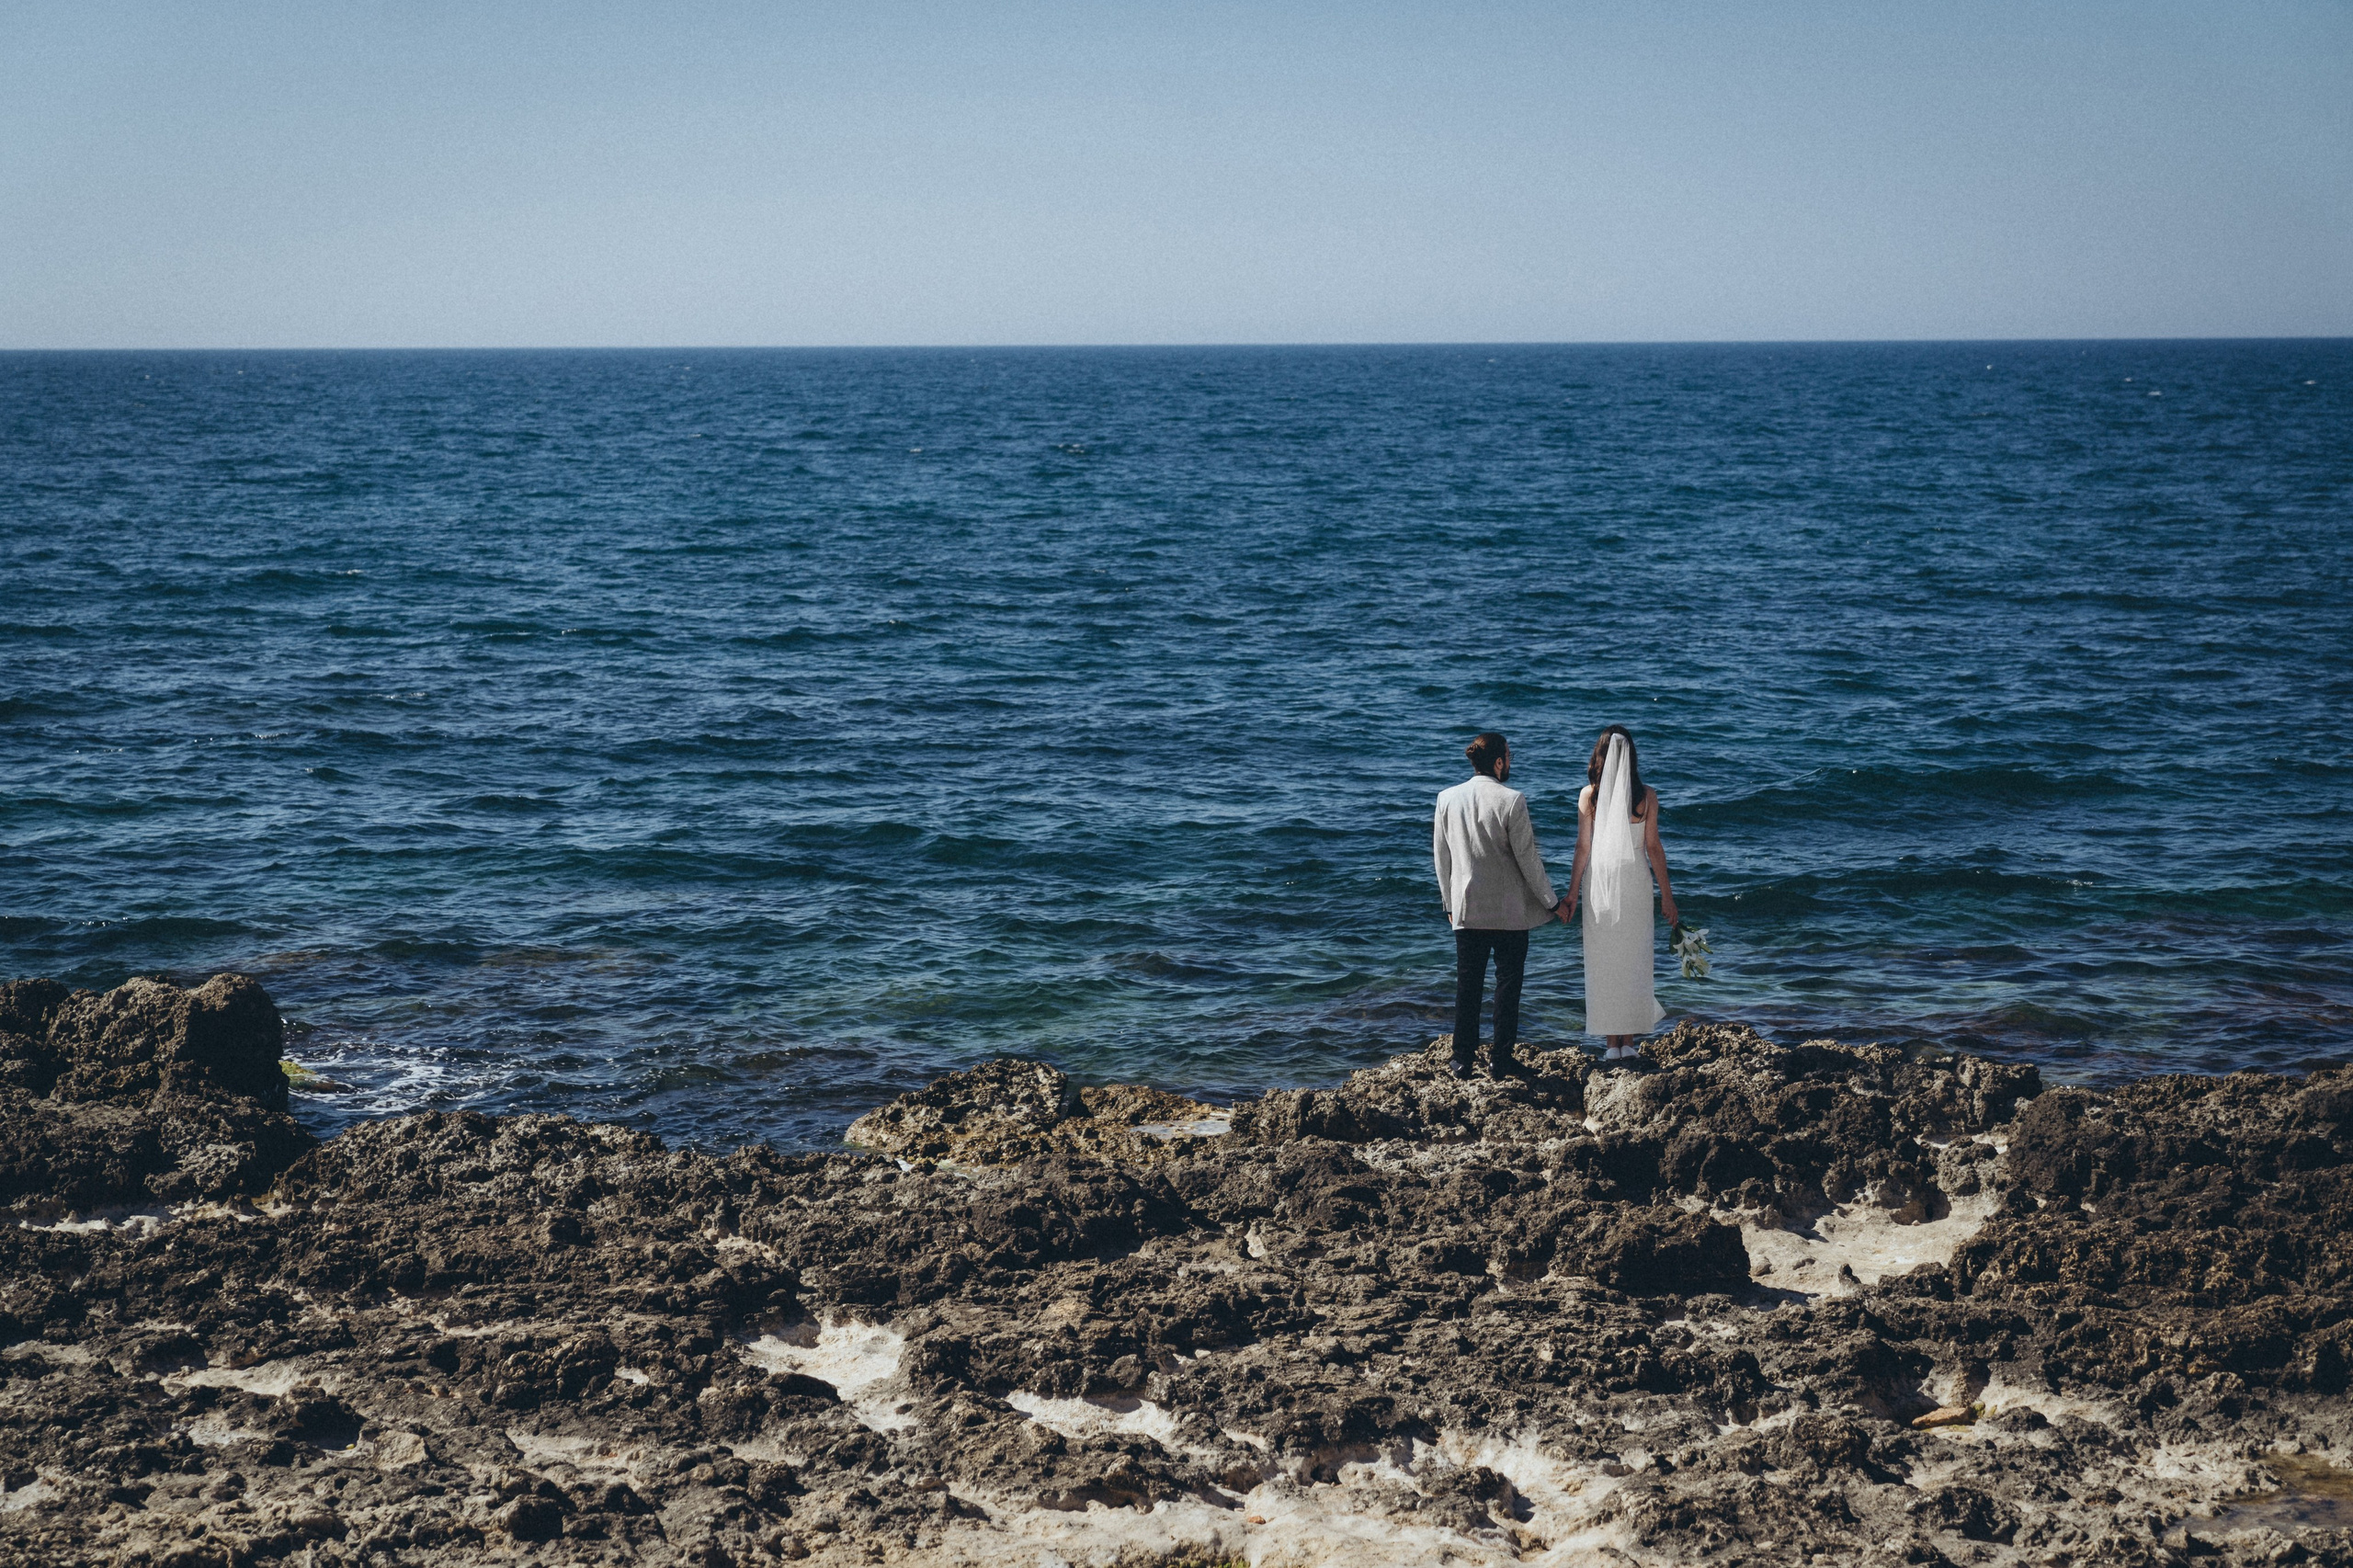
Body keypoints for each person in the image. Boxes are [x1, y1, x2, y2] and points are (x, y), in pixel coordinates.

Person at [1433, 732, 1572, 1077]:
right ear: (1498, 762)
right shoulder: (1512, 800)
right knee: (1507, 987)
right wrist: (1553, 903)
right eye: (1509, 756)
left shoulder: (1447, 798)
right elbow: (1529, 861)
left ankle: (1462, 1058)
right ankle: (1501, 1059)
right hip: (1510, 911)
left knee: (1468, 986)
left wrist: (1449, 902)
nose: (1511, 761)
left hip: (1467, 906)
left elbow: (1442, 857)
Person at [1563, 725, 1678, 1062]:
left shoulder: (1589, 796)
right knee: (1634, 957)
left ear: (1599, 756)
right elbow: (1653, 848)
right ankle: (1628, 1040)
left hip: (1599, 882)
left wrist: (1571, 894)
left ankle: (1611, 1044)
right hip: (1635, 884)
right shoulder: (1646, 796)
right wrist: (1667, 897)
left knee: (1604, 960)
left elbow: (1583, 847)